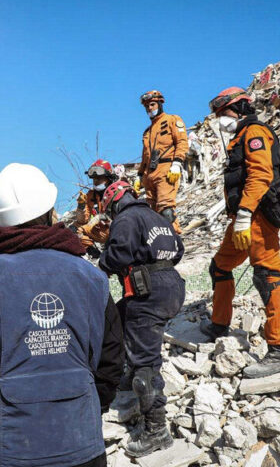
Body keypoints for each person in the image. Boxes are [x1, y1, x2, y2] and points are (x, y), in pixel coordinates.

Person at [0, 163, 124, 467]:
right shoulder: (92, 278)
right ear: (49, 212)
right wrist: (85, 406)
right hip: (81, 446)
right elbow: (112, 360)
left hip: (5, 449)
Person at [201, 87, 280, 378]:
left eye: (223, 113)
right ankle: (219, 324)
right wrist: (240, 217)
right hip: (242, 219)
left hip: (256, 217)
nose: (220, 120)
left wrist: (244, 214)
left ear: (241, 108)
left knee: (267, 276)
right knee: (220, 267)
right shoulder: (239, 137)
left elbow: (261, 175)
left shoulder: (254, 132)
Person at [98, 181, 186, 458]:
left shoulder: (126, 218)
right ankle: (125, 374)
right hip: (171, 285)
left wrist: (101, 264)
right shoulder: (157, 217)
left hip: (147, 291)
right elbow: (179, 250)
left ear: (113, 203)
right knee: (117, 318)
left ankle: (156, 430)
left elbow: (119, 253)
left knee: (145, 365)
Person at [136, 90, 189, 234]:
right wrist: (140, 174)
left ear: (160, 104)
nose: (149, 108)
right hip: (149, 173)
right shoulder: (148, 131)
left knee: (166, 210)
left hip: (166, 169)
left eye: (152, 104)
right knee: (152, 214)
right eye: (147, 106)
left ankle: (174, 241)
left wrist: (177, 163)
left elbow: (182, 142)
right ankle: (159, 245)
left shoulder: (172, 120)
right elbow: (145, 155)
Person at [74, 159, 117, 256]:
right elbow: (82, 220)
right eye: (94, 179)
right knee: (75, 228)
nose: (96, 182)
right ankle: (94, 254)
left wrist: (99, 218)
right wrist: (81, 206)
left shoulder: (116, 192)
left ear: (108, 178)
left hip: (117, 229)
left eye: (99, 178)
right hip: (100, 231)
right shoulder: (91, 195)